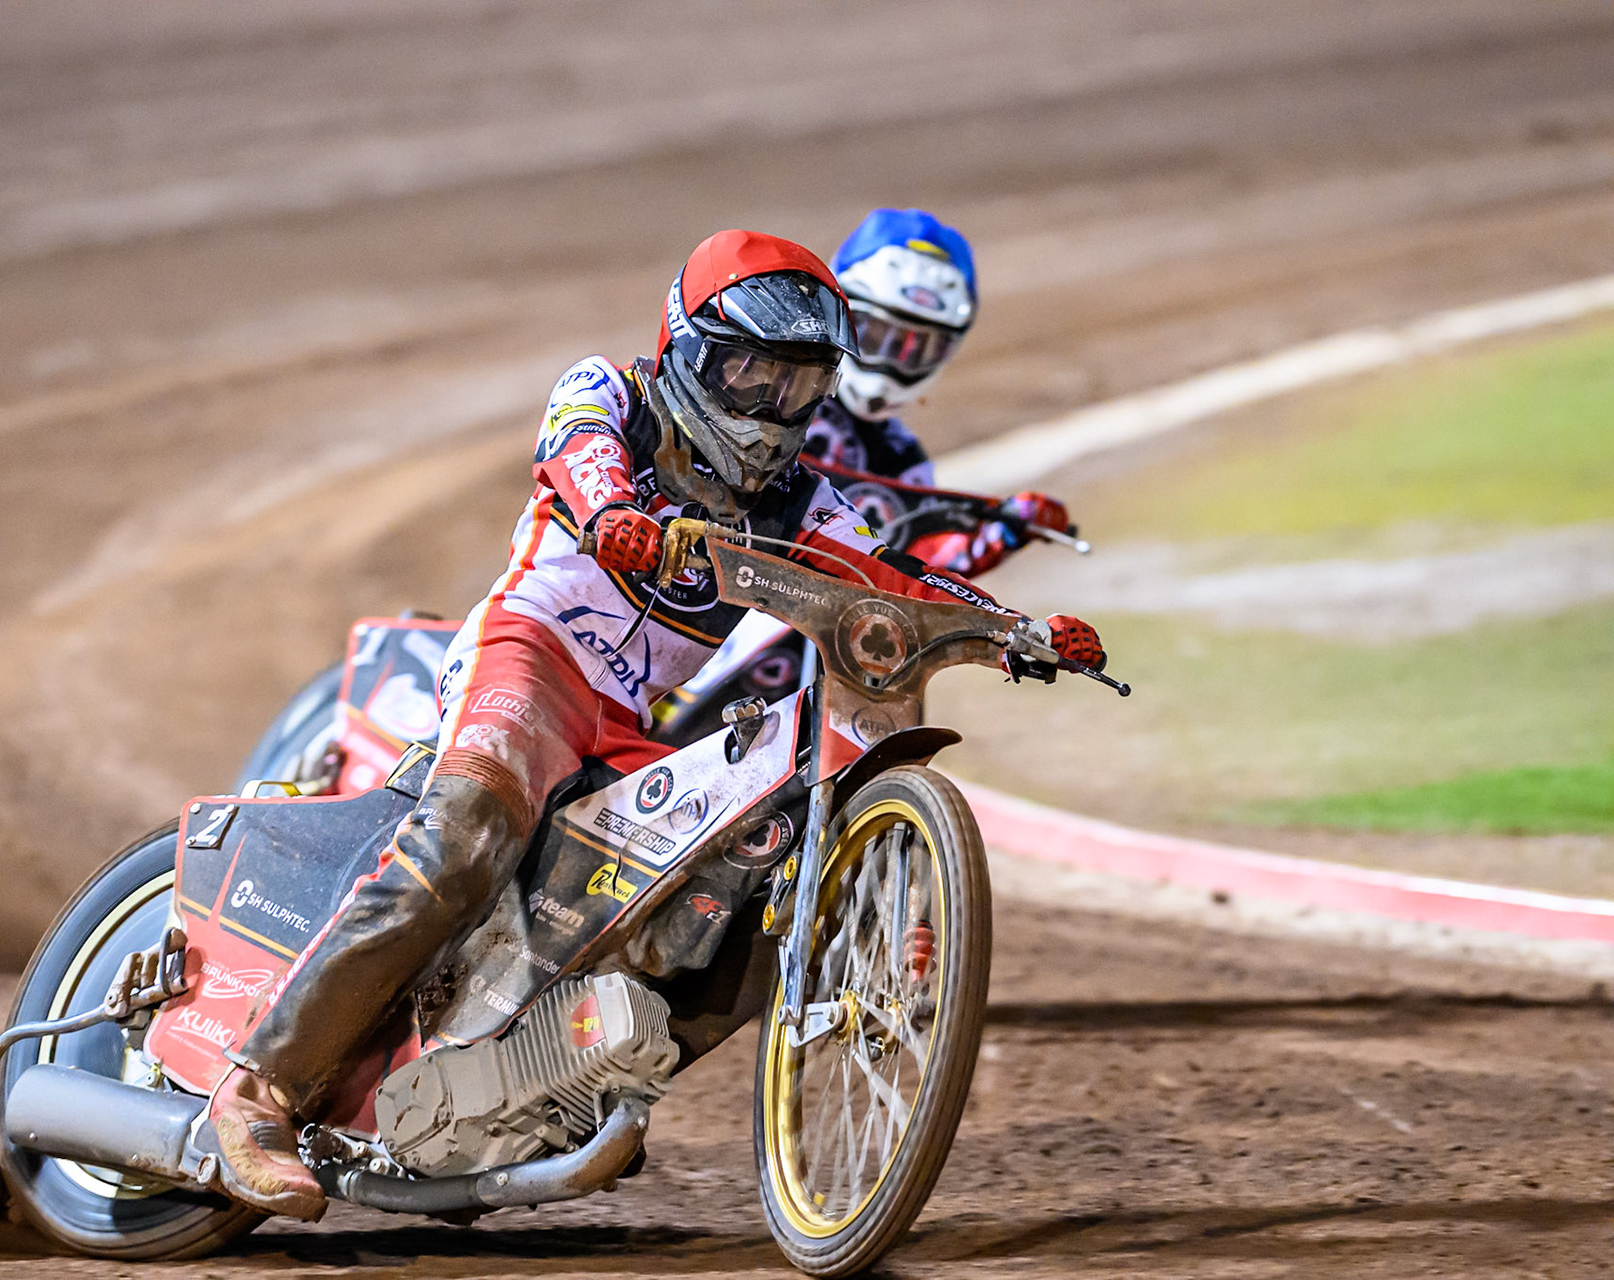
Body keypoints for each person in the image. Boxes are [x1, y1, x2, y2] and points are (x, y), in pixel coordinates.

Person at [193, 230, 1107, 1219]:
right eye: (751, 372)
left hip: (629, 721)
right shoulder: (612, 393)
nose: (772, 407)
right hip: (529, 656)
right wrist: (612, 513)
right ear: (691, 346)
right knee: (468, 832)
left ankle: (541, 1084)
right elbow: (578, 452)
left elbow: (889, 579)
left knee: (726, 890)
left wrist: (1012, 632)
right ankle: (256, 1092)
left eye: (800, 385)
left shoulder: (801, 499)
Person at [805, 207, 1068, 577]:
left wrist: (999, 533)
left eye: (918, 348)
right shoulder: (781, 393)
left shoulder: (900, 457)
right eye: (875, 334)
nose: (891, 362)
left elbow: (915, 564)